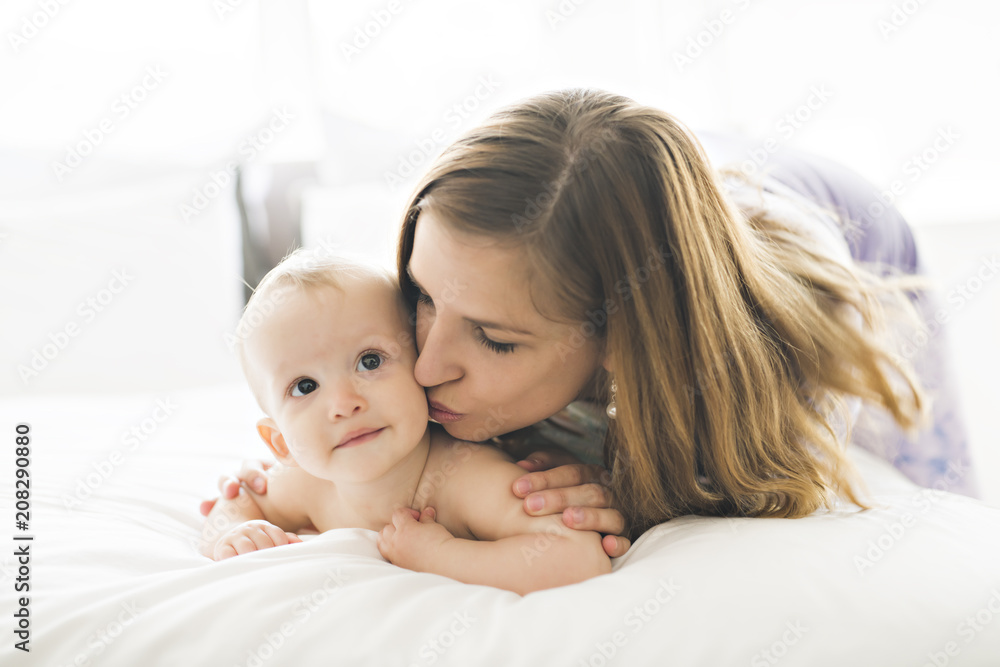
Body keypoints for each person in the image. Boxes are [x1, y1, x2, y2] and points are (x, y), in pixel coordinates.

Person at [202, 88, 979, 548]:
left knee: (936, 481)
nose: (426, 363)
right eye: (424, 298)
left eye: (495, 339)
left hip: (823, 226)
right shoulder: (480, 265)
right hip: (631, 179)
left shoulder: (782, 345)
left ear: (620, 345)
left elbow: (777, 471)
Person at [199, 247, 611, 595]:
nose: (344, 404)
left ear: (420, 364)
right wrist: (233, 532)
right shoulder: (312, 485)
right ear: (280, 445)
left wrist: (441, 557)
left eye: (370, 361)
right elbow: (233, 502)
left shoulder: (464, 478)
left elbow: (577, 558)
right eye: (305, 387)